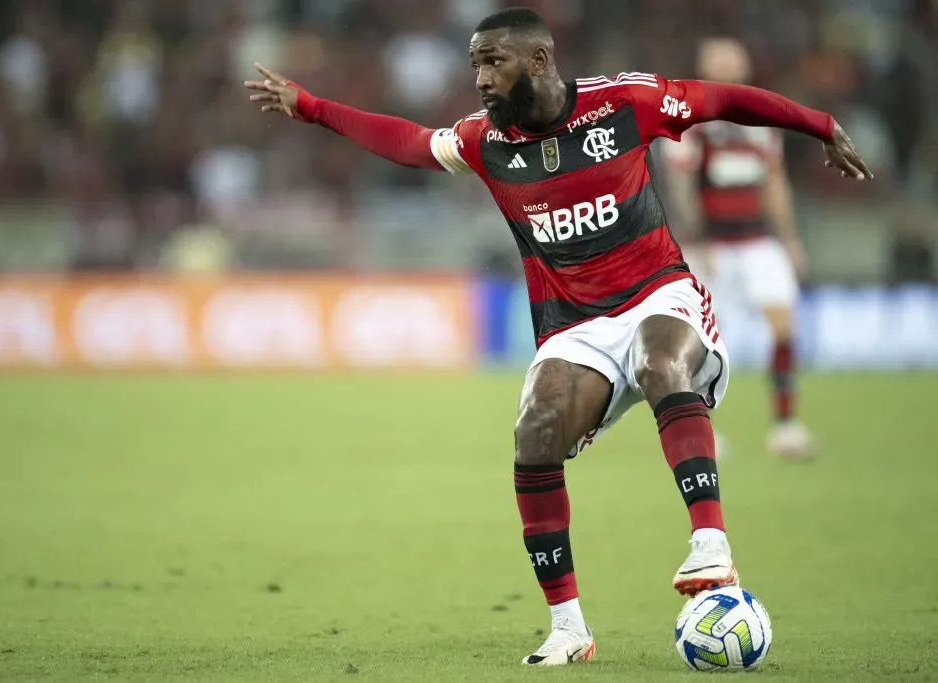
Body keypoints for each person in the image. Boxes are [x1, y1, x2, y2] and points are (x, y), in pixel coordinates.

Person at [246, 7, 872, 667]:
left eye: (493, 62)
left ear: (539, 61)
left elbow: (722, 100)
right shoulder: (483, 141)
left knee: (661, 362)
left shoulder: (624, 103)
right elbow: (405, 140)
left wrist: (821, 125)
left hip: (659, 293)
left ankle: (710, 540)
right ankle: (569, 626)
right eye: (475, 65)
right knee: (535, 433)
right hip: (574, 327)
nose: (481, 79)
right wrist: (311, 106)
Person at [660, 37, 814, 458]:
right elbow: (681, 184)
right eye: (718, 61)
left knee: (783, 327)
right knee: (701, 341)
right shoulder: (687, 120)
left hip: (758, 241)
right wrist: (698, 237)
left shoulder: (759, 121)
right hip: (713, 245)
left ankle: (785, 425)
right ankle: (700, 430)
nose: (726, 68)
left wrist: (790, 239)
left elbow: (774, 183)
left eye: (732, 60)